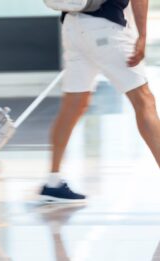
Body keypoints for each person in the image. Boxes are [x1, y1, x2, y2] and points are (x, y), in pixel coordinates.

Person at [39, 0, 160, 202]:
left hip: (73, 26)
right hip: (106, 27)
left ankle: (52, 181)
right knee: (144, 101)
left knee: (74, 104)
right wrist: (143, 35)